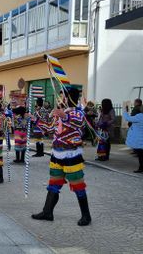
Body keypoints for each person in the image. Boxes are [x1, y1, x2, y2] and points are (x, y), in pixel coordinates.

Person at [31, 87, 91, 226]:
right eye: (60, 96)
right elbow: (50, 129)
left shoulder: (78, 112)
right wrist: (35, 120)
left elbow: (78, 122)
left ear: (70, 98)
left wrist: (64, 115)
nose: (61, 99)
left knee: (78, 184)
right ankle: (47, 212)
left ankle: (86, 216)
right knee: (54, 183)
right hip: (57, 153)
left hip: (72, 154)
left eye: (63, 96)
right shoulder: (60, 112)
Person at [123, 105, 143, 172]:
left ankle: (141, 168)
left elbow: (128, 118)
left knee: (140, 154)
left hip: (140, 138)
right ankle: (141, 168)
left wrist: (125, 111)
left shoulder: (140, 116)